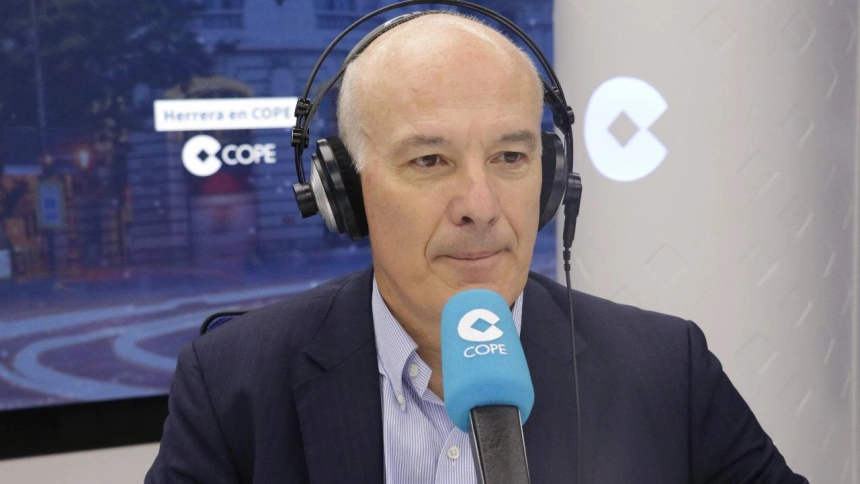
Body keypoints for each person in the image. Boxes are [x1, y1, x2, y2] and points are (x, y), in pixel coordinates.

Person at [146, 11, 807, 484]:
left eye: (510, 156)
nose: (480, 205)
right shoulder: (232, 384)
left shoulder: (667, 369)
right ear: (347, 189)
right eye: (429, 160)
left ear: (549, 175)